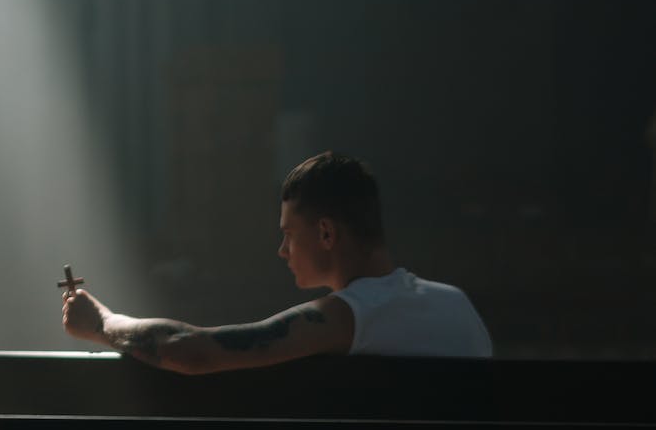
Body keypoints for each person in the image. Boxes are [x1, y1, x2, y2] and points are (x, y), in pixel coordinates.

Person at [61, 151, 492, 372]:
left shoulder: (349, 317)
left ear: (326, 233)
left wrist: (102, 322)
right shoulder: (458, 305)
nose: (282, 251)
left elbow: (192, 352)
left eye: (288, 234)